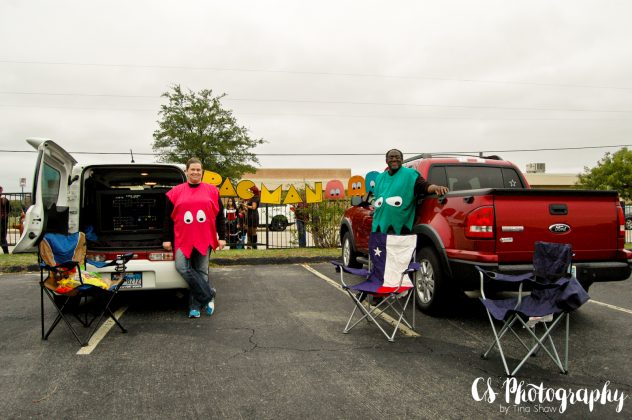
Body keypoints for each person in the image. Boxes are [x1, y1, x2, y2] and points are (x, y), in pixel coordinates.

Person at [162, 158, 226, 318]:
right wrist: (166, 238)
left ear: (202, 172)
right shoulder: (175, 192)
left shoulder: (212, 191)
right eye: (193, 169)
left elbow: (220, 217)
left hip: (205, 238)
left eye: (198, 170)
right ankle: (209, 293)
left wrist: (222, 236)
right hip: (183, 238)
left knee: (202, 271)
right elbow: (167, 218)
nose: (196, 172)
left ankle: (195, 307)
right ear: (187, 171)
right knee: (182, 266)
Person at [371, 149, 449, 235]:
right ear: (386, 160)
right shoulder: (379, 178)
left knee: (396, 248)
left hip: (399, 227)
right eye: (391, 157)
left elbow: (424, 186)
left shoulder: (410, 174)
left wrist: (436, 188)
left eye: (397, 157)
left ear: (402, 160)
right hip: (378, 226)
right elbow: (376, 199)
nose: (394, 159)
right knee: (379, 248)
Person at [0, 186, 10, 254]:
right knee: (3, 237)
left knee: (3, 237)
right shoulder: (4, 200)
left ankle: (6, 252)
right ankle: (6, 252)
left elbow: (8, 210)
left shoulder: (4, 200)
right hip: (3, 220)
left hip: (2, 221)